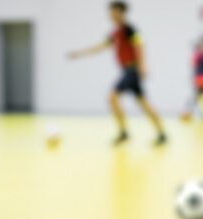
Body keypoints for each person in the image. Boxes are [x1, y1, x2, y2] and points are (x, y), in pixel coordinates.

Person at [68, 1, 167, 146]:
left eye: (113, 11)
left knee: (112, 97)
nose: (110, 14)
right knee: (143, 103)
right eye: (110, 11)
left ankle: (124, 132)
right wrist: (79, 53)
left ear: (121, 12)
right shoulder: (115, 32)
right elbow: (101, 46)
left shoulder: (129, 29)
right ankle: (161, 133)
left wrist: (142, 66)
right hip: (127, 71)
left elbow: (139, 45)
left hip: (132, 71)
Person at [182, 36, 203, 122]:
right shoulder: (199, 55)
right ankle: (202, 113)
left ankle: (192, 113)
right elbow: (193, 64)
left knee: (200, 96)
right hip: (199, 78)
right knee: (200, 96)